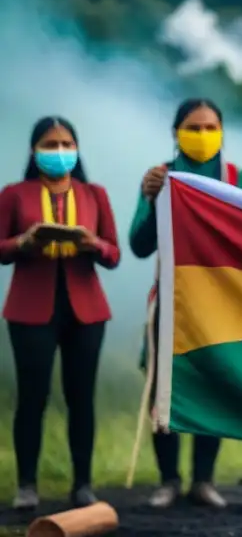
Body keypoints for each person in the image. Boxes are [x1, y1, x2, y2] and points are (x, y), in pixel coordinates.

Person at [129, 99, 242, 509]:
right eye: (193, 127)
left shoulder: (237, 178)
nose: (202, 135)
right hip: (171, 300)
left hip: (217, 304)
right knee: (162, 390)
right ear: (176, 132)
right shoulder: (159, 178)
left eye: (210, 127)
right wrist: (150, 201)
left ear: (222, 130)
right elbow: (138, 244)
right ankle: (168, 481)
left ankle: (203, 482)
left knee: (211, 387)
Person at [0, 117, 120, 510]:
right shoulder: (14, 194)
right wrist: (24, 240)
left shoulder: (94, 194)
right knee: (31, 399)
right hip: (30, 309)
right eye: (50, 145)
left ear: (77, 148)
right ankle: (27, 487)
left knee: (80, 398)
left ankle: (83, 484)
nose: (59, 151)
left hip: (86, 311)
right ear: (34, 150)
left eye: (66, 143)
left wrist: (93, 244)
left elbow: (114, 254)